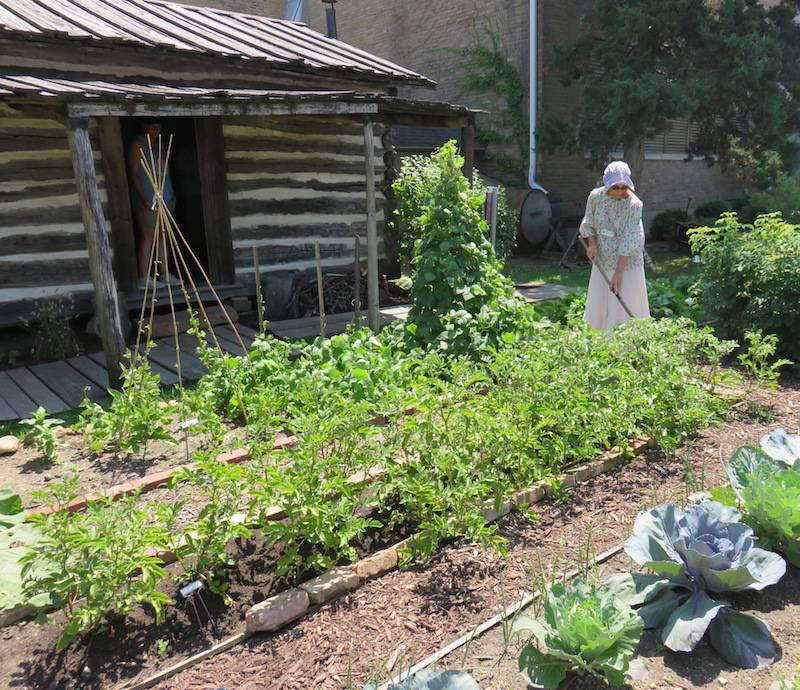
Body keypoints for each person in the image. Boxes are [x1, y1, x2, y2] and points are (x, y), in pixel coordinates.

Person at [579, 161, 650, 330]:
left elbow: (630, 238)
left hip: (627, 265)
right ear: (606, 184)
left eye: (623, 187)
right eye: (615, 187)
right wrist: (592, 244)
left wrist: (619, 272)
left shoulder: (634, 205)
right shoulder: (596, 197)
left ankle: (626, 347)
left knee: (624, 307)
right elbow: (589, 222)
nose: (619, 191)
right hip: (603, 261)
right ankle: (599, 343)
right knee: (600, 304)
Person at [127, 121, 177, 289]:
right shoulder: (138, 144)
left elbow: (165, 170)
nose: (156, 130)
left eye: (158, 126)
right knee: (148, 236)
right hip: (149, 197)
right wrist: (144, 197)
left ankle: (165, 274)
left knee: (164, 234)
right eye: (152, 126)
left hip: (165, 196)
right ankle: (145, 277)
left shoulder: (161, 145)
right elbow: (134, 173)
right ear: (144, 126)